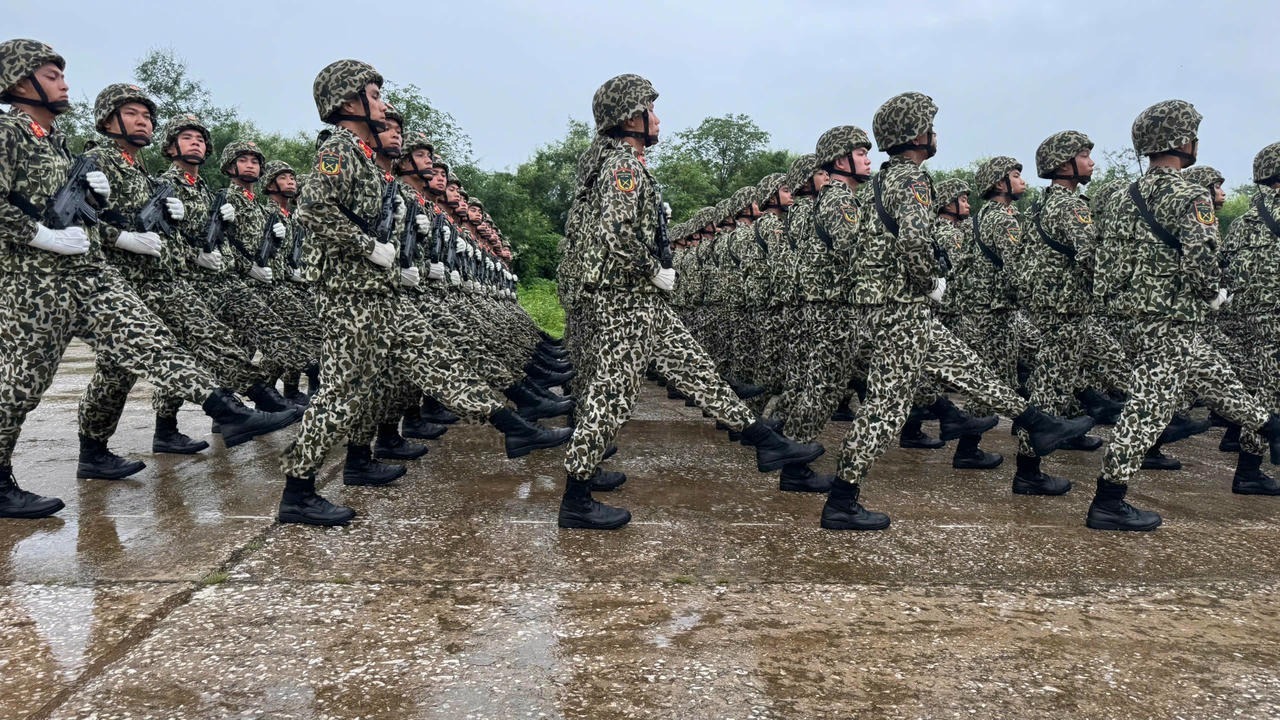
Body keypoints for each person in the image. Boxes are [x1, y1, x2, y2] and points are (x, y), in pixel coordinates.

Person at [0, 38, 294, 516]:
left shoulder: (53, 143)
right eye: (52, 75)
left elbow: (78, 216)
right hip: (33, 282)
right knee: (22, 385)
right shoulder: (10, 133)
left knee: (151, 340)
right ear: (18, 80)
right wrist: (40, 235)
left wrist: (92, 216)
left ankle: (226, 408)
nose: (64, 82)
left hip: (89, 274)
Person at [277, 59, 571, 526]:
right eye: (374, 96)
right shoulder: (339, 150)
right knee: (342, 392)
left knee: (435, 356)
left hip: (377, 293)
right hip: (352, 295)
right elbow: (312, 211)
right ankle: (297, 491)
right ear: (348, 103)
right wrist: (367, 246)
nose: (384, 104)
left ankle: (512, 425)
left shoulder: (364, 158)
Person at [559, 74, 825, 530]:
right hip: (626, 298)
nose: (658, 119)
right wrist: (651, 270)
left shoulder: (616, 162)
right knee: (611, 396)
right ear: (630, 117)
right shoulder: (622, 164)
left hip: (635, 298)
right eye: (651, 110)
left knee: (696, 368)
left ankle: (764, 440)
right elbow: (617, 233)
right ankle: (575, 497)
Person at [1090, 100, 1280, 530]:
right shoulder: (1190, 194)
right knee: (1148, 408)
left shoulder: (1122, 195)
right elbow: (1201, 256)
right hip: (1171, 316)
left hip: (1129, 316)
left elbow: (1103, 254)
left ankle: (1268, 427)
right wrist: (1212, 293)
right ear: (1180, 141)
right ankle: (1108, 500)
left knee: (1215, 375)